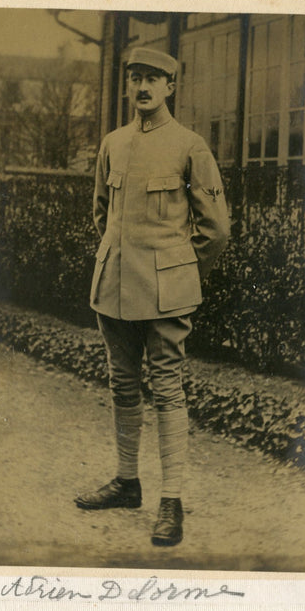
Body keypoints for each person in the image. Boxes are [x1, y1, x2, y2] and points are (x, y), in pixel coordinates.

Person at [74, 47, 230, 547]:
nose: (142, 87)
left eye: (153, 79)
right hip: (114, 287)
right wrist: (118, 258)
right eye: (135, 78)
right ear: (128, 86)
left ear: (170, 88)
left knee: (167, 389)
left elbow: (216, 229)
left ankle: (172, 500)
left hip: (166, 295)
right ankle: (126, 481)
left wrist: (180, 272)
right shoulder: (113, 144)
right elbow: (102, 213)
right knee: (122, 385)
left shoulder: (190, 146)